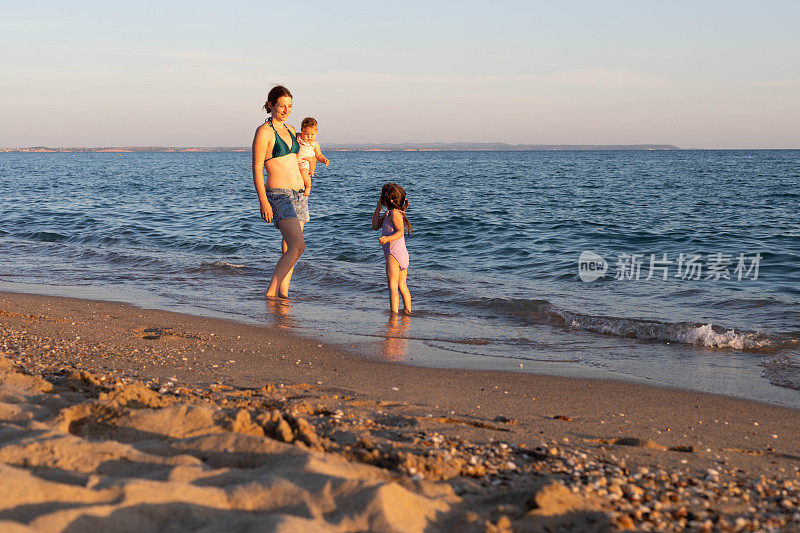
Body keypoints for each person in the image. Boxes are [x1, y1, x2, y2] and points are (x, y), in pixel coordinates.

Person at [252, 85, 307, 299]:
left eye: (290, 106)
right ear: (271, 105)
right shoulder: (264, 131)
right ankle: (271, 292)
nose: (286, 110)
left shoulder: (292, 130)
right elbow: (257, 169)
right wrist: (263, 201)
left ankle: (284, 292)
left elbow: (298, 158)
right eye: (282, 106)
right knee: (298, 246)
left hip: (299, 194)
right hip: (279, 194)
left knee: (290, 248)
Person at [371, 183, 412, 314]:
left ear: (388, 200)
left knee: (393, 287)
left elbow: (400, 232)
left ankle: (394, 314)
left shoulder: (394, 214)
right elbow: (375, 226)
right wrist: (377, 209)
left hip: (394, 254)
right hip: (401, 254)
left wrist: (387, 239)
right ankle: (407, 312)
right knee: (402, 286)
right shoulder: (389, 214)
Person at [297, 117, 330, 197]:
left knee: (304, 173)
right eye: (306, 134)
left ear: (316, 132)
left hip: (306, 162)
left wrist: (324, 160)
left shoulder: (314, 144)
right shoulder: (298, 137)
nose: (309, 137)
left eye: (312, 134)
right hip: (296, 161)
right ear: (302, 131)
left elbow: (318, 155)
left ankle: (308, 187)